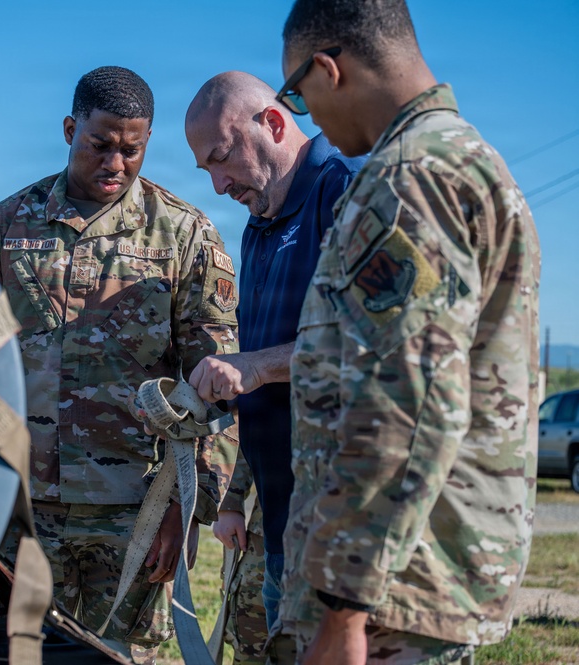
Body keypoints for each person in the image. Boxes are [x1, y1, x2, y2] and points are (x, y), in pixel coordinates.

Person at [273, 1, 541, 663]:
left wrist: (343, 607)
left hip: (388, 600)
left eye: (297, 97)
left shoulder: (408, 178)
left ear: (327, 69)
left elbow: (408, 399)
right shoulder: (463, 159)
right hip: (416, 576)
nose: (308, 118)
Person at [0, 66, 240, 663]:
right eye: (100, 144)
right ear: (71, 130)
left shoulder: (184, 236)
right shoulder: (3, 227)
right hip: (17, 508)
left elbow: (218, 383)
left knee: (119, 656)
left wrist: (188, 508)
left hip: (135, 513)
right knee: (12, 653)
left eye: (132, 150)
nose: (115, 163)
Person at [184, 71, 365, 663]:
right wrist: (235, 493)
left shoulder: (348, 192)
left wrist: (258, 366)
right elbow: (257, 377)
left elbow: (376, 342)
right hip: (282, 520)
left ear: (274, 123)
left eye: (221, 158)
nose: (218, 185)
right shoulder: (260, 222)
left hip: (343, 530)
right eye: (205, 169)